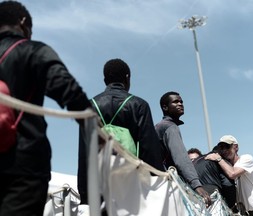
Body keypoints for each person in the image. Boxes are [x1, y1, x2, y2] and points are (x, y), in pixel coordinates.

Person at [0, 1, 91, 216]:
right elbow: (69, 91)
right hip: (23, 165)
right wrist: (95, 128)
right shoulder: (32, 50)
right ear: (23, 23)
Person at [77, 58, 165, 205]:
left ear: (105, 80)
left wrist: (85, 195)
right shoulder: (139, 105)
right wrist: (156, 183)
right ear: (127, 77)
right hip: (131, 183)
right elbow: (149, 149)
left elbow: (84, 153)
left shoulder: (89, 107)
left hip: (99, 182)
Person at [155, 91, 211, 206]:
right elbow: (181, 158)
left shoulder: (160, 126)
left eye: (181, 101)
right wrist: (197, 185)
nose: (180, 104)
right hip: (168, 186)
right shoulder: (170, 127)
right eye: (175, 102)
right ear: (165, 107)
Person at [205, 135, 253, 216]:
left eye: (227, 146)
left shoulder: (246, 159)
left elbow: (232, 173)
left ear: (236, 147)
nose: (224, 150)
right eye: (221, 148)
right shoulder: (227, 167)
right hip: (246, 212)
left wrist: (218, 158)